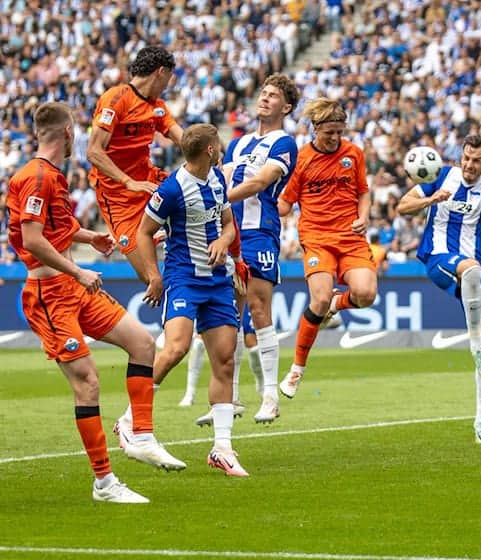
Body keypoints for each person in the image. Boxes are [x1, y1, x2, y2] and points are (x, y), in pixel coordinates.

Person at [8, 102, 184, 503]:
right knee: (88, 383)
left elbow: (56, 228)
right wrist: (78, 272)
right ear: (68, 132)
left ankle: (139, 433)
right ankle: (104, 483)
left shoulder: (50, 174)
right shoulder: (36, 176)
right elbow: (33, 239)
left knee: (142, 344)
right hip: (51, 294)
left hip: (73, 289)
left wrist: (90, 239)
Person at [133, 123, 249, 477]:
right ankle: (130, 419)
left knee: (225, 360)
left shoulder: (217, 180)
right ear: (210, 150)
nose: (222, 145)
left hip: (216, 280)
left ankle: (222, 448)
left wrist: (223, 242)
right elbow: (143, 232)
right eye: (219, 142)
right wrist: (154, 275)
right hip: (184, 278)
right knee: (175, 349)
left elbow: (228, 224)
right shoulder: (172, 189)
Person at [184, 74, 299, 425]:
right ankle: (229, 399)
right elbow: (218, 177)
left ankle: (269, 397)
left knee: (259, 308)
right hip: (229, 232)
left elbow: (259, 182)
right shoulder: (238, 143)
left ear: (287, 106)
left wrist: (214, 198)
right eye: (263, 93)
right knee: (228, 314)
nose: (264, 99)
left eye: (273, 95)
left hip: (259, 231)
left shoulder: (285, 143)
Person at [397, 131, 481, 444]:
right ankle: (473, 342)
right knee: (469, 270)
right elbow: (403, 206)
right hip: (438, 258)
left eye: (476, 160)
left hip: (475, 269)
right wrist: (431, 199)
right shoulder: (442, 176)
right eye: (466, 158)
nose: (469, 164)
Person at [276, 98, 378, 399]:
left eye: (339, 132)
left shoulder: (353, 154)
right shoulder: (302, 159)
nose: (335, 138)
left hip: (350, 236)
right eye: (329, 132)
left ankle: (337, 305)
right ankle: (296, 370)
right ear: (315, 128)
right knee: (319, 299)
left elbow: (363, 192)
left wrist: (364, 216)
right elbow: (285, 203)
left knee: (366, 295)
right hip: (317, 237)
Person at [86, 45, 184, 277]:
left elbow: (182, 137)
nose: (169, 85)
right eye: (169, 78)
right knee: (150, 278)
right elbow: (94, 151)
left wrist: (209, 150)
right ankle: (156, 236)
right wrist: (128, 181)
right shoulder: (116, 98)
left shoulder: (157, 106)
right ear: (160, 72)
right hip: (117, 196)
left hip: (148, 180)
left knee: (194, 195)